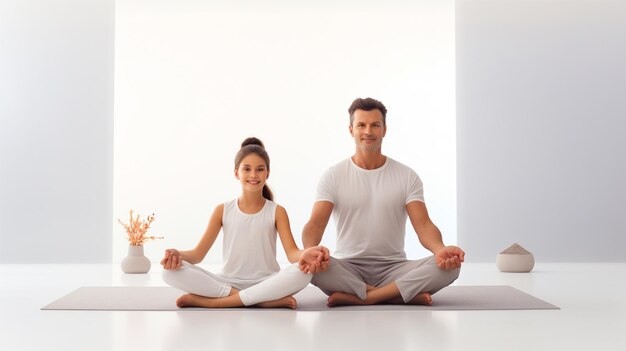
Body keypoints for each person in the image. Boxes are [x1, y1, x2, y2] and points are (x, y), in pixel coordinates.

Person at [302, 97, 464, 307]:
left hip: (394, 268)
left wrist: (440, 249)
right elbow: (315, 223)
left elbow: (423, 225)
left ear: (384, 130)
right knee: (308, 268)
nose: (368, 131)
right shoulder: (333, 175)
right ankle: (398, 295)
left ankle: (364, 297)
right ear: (351, 130)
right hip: (347, 269)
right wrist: (309, 252)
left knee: (451, 267)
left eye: (375, 125)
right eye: (361, 125)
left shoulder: (406, 176)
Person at [161, 137, 329, 309]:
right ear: (236, 173)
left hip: (267, 282)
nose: (253, 175)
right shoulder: (222, 210)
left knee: (304, 274)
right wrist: (177, 255)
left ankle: (210, 302)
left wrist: (307, 254)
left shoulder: (277, 211)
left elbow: (292, 254)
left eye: (260, 170)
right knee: (168, 273)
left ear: (268, 173)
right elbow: (198, 254)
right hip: (228, 282)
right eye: (247, 169)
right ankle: (261, 301)